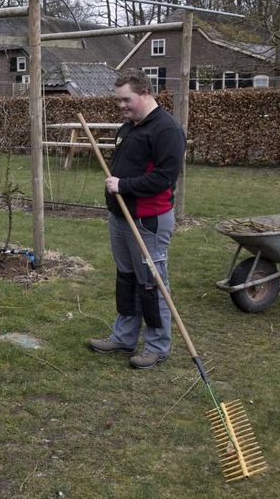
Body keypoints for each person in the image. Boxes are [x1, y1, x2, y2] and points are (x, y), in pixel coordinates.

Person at [88, 71, 186, 370]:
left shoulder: (167, 130)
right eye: (118, 100)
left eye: (126, 100)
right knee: (127, 278)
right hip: (120, 215)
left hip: (147, 219)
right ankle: (124, 336)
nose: (121, 106)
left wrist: (124, 186)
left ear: (145, 92)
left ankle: (157, 346)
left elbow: (164, 178)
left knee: (151, 283)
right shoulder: (130, 126)